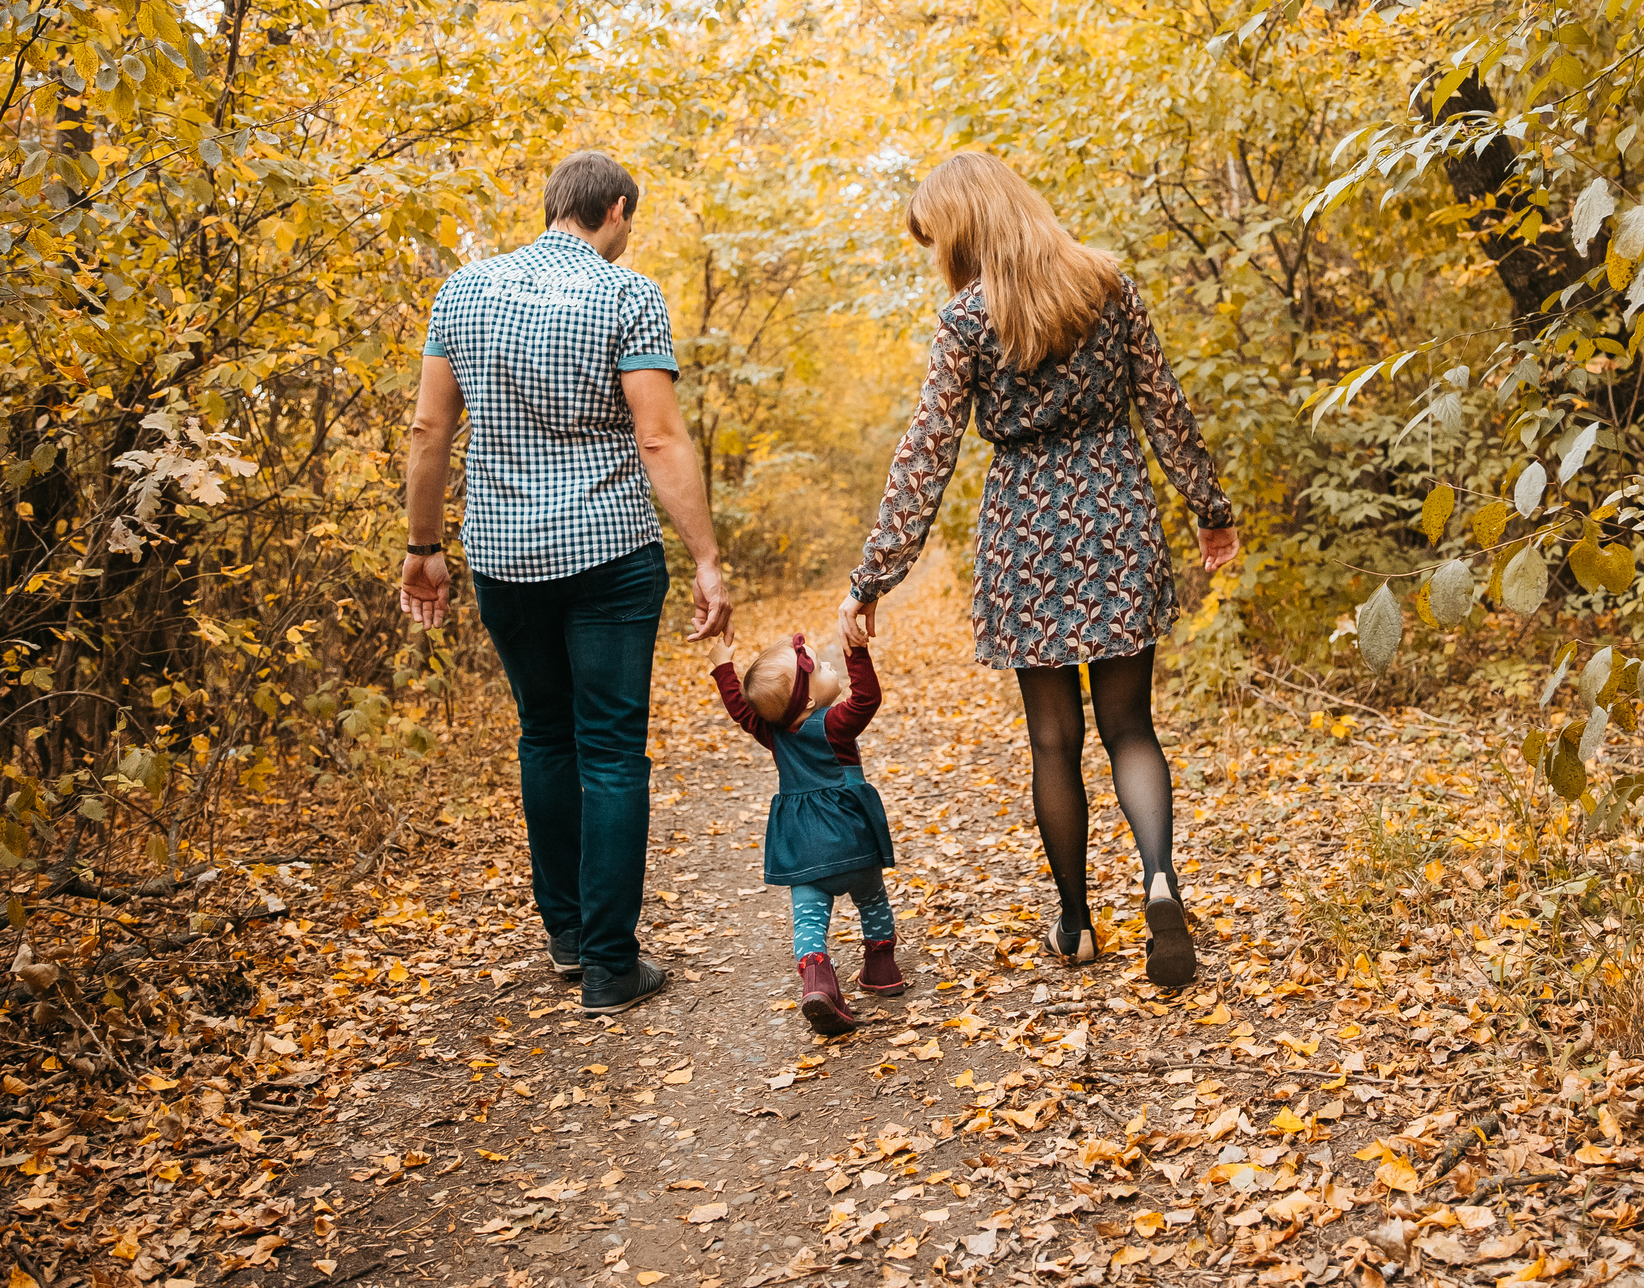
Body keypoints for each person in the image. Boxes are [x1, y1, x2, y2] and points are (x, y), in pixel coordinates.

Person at [839, 152, 1238, 989]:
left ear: (966, 226)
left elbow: (926, 456)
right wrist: (1210, 510)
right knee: (1130, 726)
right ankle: (1160, 878)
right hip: (1117, 515)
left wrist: (874, 575)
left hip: (1026, 533)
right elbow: (1164, 406)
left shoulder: (966, 321)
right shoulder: (1106, 282)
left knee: (1053, 739)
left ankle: (1078, 923)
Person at [400, 151, 731, 1014]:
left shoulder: (463, 292)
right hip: (609, 553)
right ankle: (612, 966)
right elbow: (658, 439)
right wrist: (704, 556)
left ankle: (568, 936)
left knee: (545, 733)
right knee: (612, 748)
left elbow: (431, 425)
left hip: (507, 558)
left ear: (554, 206)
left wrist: (423, 545)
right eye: (631, 220)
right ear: (616, 209)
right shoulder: (627, 294)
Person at [705, 628, 903, 1034]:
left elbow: (743, 710)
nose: (830, 665)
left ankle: (818, 979)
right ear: (810, 700)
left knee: (809, 919)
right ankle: (881, 969)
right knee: (872, 899)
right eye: (822, 665)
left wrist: (723, 665)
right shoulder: (833, 725)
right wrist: (857, 652)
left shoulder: (774, 734)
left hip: (804, 851)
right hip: (854, 842)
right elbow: (867, 699)